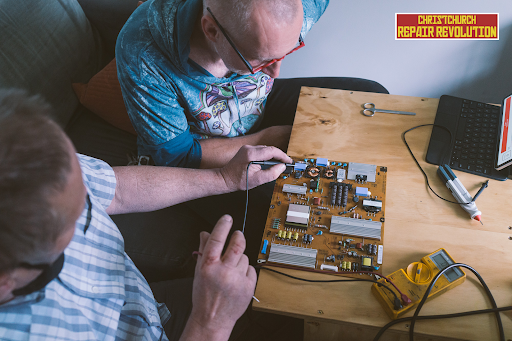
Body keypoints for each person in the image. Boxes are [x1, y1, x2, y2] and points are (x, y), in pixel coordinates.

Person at [0, 89, 295, 340]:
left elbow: (116, 190)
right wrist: (211, 323)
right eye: (83, 214)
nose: (91, 203)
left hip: (149, 308)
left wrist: (224, 178)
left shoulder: (20, 159)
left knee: (288, 293)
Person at [116, 0, 387, 169]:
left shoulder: (306, 8)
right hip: (203, 151)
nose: (275, 71)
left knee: (373, 98)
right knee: (288, 203)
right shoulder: (143, 56)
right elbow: (178, 156)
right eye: (260, 59)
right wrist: (271, 138)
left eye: (286, 52)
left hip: (256, 106)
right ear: (211, 30)